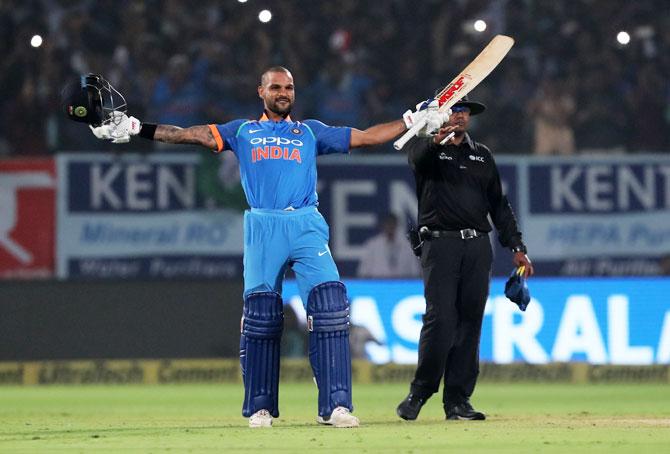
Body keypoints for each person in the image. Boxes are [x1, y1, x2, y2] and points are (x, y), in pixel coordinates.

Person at [87, 66, 449, 428]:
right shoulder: (242, 131)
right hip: (263, 224)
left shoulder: (310, 132)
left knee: (330, 307)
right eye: (276, 86)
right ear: (260, 91)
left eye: (289, 87)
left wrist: (411, 119)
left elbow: (368, 137)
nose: (283, 92)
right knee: (261, 316)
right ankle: (260, 408)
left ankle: (335, 407)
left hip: (306, 223)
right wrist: (135, 127)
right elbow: (188, 135)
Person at [396, 95, 534, 422]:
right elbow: (416, 160)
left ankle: (458, 401)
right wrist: (434, 135)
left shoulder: (481, 155)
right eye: (454, 110)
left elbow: (499, 206)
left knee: (470, 323)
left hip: (477, 247)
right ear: (442, 114)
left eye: (463, 112)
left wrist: (516, 246)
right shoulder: (427, 148)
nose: (459, 116)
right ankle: (420, 392)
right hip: (440, 245)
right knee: (441, 319)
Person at [357, 212, 420, 278]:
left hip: (401, 285)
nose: (390, 227)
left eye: (392, 224)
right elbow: (363, 271)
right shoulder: (372, 245)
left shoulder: (407, 245)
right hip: (378, 284)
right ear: (383, 226)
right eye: (388, 224)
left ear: (396, 225)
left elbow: (414, 270)